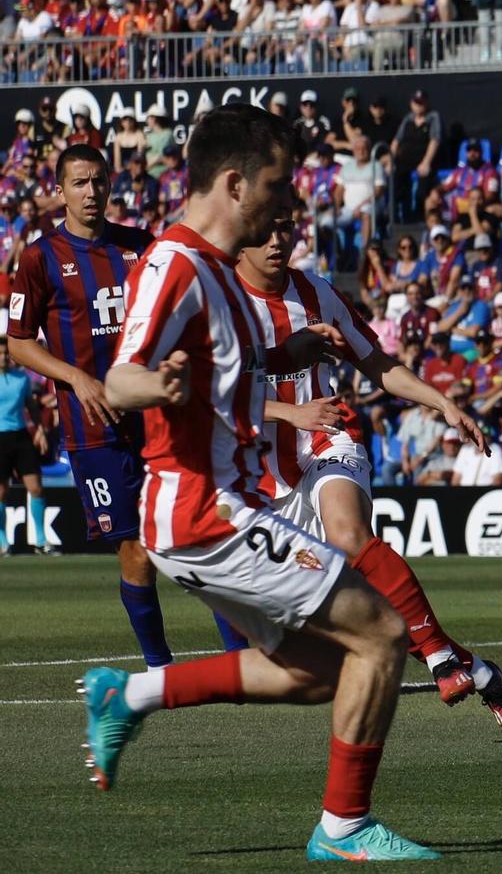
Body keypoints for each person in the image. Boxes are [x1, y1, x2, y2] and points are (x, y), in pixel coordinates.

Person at [81, 103, 436, 859]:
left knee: (323, 670)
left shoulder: (216, 268)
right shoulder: (176, 264)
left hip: (219, 507)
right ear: (236, 184)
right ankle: (343, 827)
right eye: (277, 186)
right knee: (382, 633)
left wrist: (285, 352)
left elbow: (223, 372)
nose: (286, 205)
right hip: (205, 512)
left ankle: (133, 692)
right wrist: (160, 386)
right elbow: (119, 377)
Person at [236, 213, 502, 734]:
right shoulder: (217, 303)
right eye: (265, 231)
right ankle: (481, 673)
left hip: (328, 439)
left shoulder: (316, 292)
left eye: (285, 228)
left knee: (351, 536)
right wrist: (287, 413)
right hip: (262, 477)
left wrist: (443, 403)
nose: (277, 240)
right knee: (358, 615)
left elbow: (376, 362)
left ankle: (442, 656)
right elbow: (209, 394)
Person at [7, 146, 221, 657]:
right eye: (79, 183)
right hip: (92, 428)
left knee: (204, 534)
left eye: (98, 181)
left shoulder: (139, 246)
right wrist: (77, 379)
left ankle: (241, 654)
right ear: (60, 192)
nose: (91, 192)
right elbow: (18, 342)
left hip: (157, 417)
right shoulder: (39, 258)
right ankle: (158, 665)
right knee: (135, 550)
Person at [0, 345, 49, 555]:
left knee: (36, 488)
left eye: (5, 353)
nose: (3, 357)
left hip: (20, 436)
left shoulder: (22, 378)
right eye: (0, 354)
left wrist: (40, 430)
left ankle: (40, 540)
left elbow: (31, 406)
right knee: (1, 492)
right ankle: (2, 542)